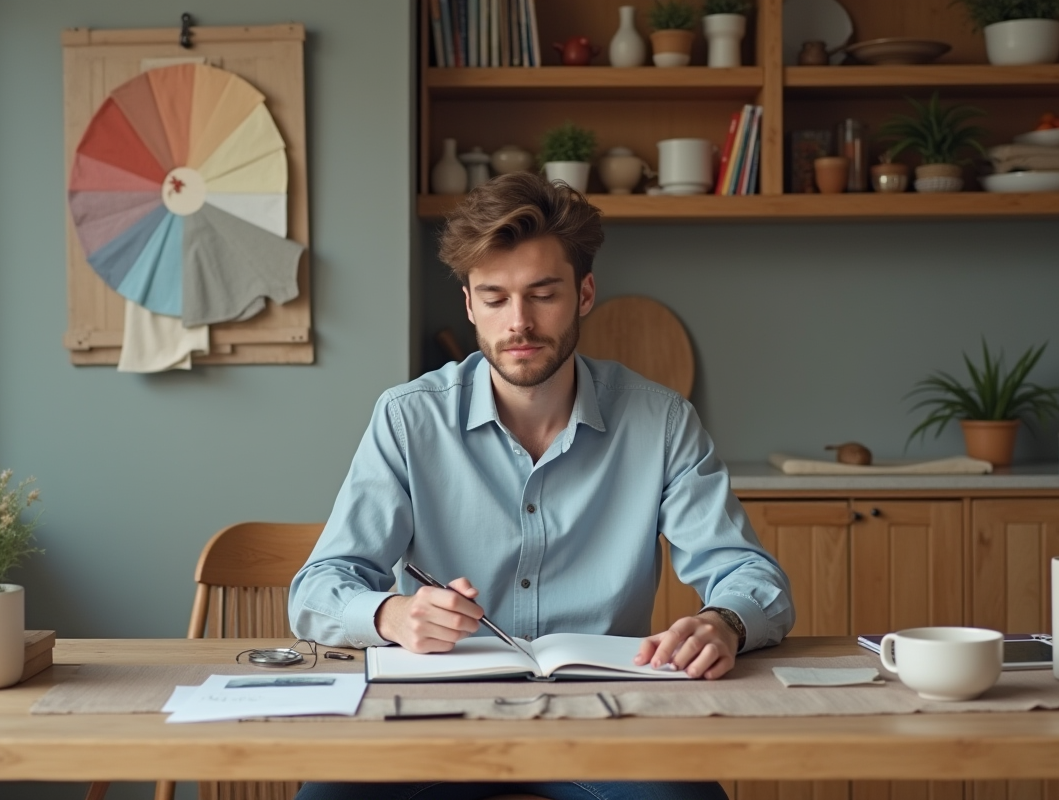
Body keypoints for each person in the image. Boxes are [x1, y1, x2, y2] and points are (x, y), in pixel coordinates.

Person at [289, 173, 795, 800]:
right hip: (430, 717)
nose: (518, 323)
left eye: (542, 294)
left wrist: (724, 622)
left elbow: (753, 576)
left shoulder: (660, 421)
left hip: (608, 719)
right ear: (470, 304)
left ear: (584, 294)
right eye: (495, 298)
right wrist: (392, 614)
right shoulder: (408, 418)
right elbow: (316, 590)